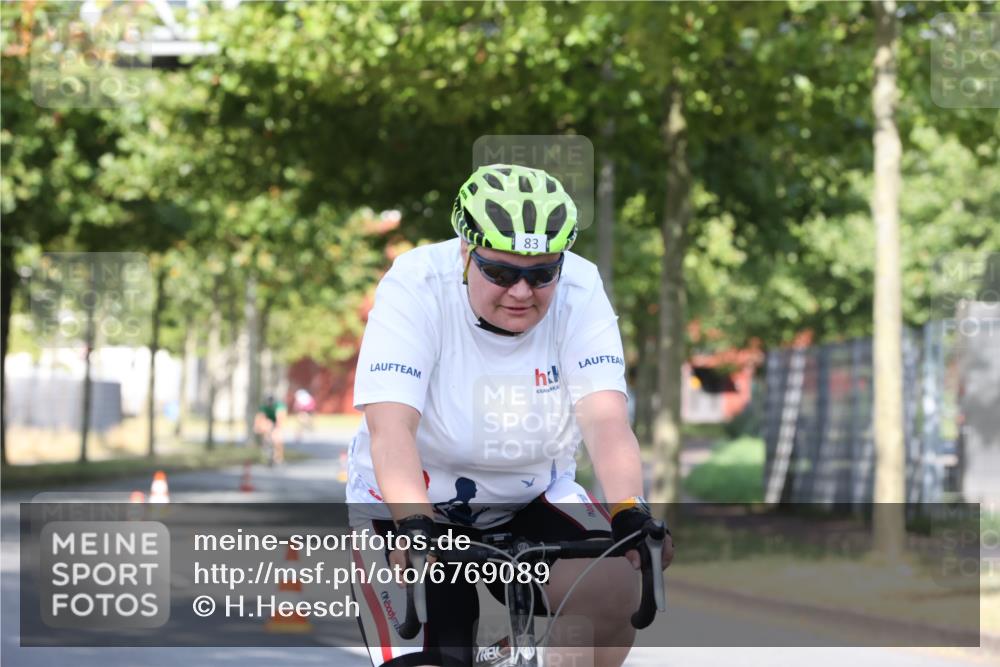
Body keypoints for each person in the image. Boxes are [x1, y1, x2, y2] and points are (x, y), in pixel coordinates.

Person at [347, 164, 674, 667]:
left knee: (612, 587)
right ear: (465, 252)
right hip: (410, 501)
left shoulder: (581, 287)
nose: (522, 292)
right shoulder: (416, 283)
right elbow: (391, 426)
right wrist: (413, 520)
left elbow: (605, 419)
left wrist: (630, 507)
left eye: (542, 274)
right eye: (500, 272)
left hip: (530, 494)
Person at [254, 393, 287, 465]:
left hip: (276, 422)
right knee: (266, 433)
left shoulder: (278, 406)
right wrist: (258, 427)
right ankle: (266, 452)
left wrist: (277, 427)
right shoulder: (264, 407)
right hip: (268, 422)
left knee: (278, 440)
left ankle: (279, 458)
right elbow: (259, 417)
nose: (270, 404)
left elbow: (280, 417)